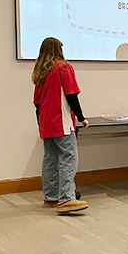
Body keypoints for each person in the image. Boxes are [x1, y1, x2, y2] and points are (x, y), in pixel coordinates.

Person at [33, 37, 89, 214]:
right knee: (68, 157)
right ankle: (66, 198)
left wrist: (41, 125)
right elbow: (72, 96)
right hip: (61, 122)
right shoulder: (64, 67)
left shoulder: (40, 72)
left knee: (50, 159)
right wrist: (81, 118)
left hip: (46, 123)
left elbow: (37, 104)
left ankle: (51, 197)